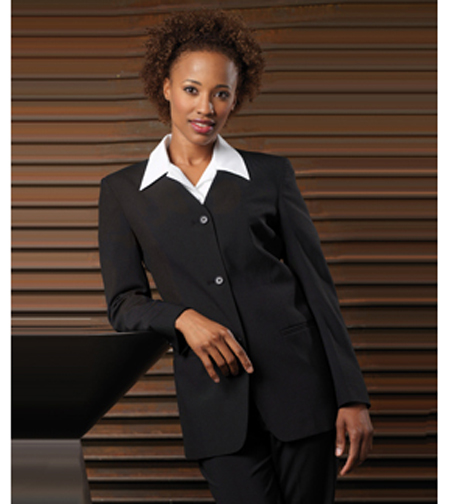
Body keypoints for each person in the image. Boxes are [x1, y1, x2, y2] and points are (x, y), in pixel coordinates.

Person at [98, 9, 373, 503]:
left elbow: (318, 289)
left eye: (221, 93)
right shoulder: (122, 192)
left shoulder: (270, 176)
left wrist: (352, 396)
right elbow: (123, 304)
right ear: (166, 88)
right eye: (192, 89)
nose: (205, 107)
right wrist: (182, 318)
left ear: (235, 98)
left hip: (302, 389)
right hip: (215, 405)